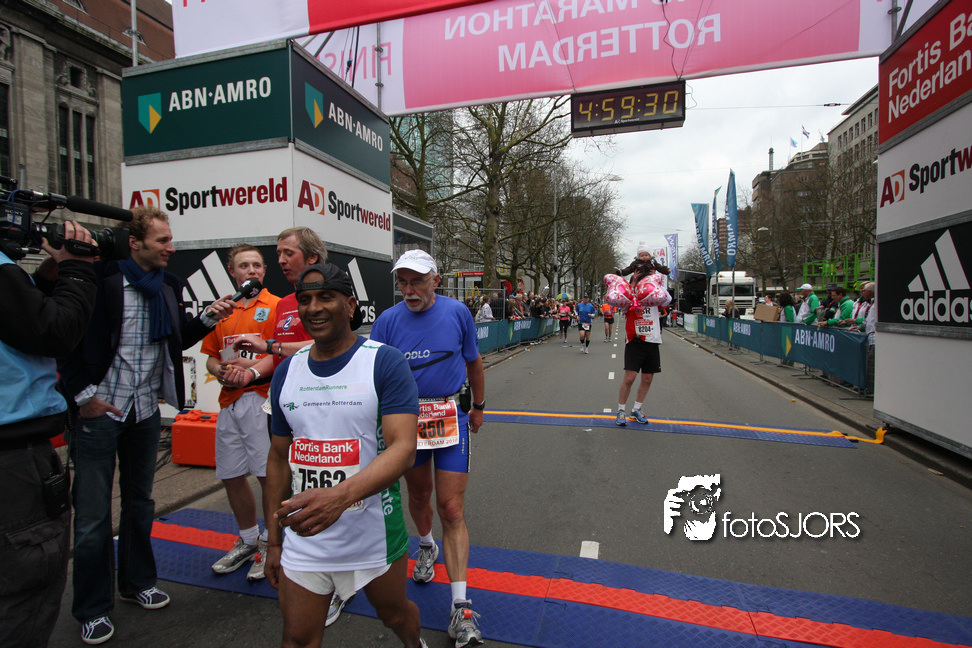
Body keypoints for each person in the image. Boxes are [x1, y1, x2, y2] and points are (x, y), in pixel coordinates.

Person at [58, 207, 237, 645]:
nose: (170, 248)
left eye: (170, 240)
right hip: (100, 413)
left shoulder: (168, 285)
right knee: (93, 517)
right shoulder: (100, 280)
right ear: (134, 243)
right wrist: (83, 398)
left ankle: (137, 583)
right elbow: (67, 337)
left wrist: (207, 318)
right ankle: (92, 608)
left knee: (140, 505)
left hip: (144, 413)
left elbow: (176, 339)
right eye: (162, 241)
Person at [264, 263, 427, 648]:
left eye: (326, 297)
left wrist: (338, 497)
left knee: (395, 615)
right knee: (297, 638)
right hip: (306, 535)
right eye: (305, 300)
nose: (313, 308)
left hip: (370, 532)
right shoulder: (287, 372)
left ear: (351, 305)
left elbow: (404, 449)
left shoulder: (384, 361)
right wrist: (273, 541)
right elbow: (277, 458)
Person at [370, 250, 486, 648]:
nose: (409, 290)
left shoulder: (457, 313)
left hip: (450, 415)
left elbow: (474, 362)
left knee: (451, 508)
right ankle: (425, 545)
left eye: (417, 281)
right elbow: (373, 375)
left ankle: (460, 607)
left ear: (435, 280)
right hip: (407, 420)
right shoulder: (387, 321)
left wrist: (479, 406)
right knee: (419, 495)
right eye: (402, 282)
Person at [0, 221, 98, 648]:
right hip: (13, 460)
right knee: (25, 595)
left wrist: (43, 279)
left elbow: (20, 317)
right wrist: (77, 269)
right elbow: (54, 331)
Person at [200, 244, 281, 582]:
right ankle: (248, 540)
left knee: (267, 476)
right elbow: (210, 356)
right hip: (228, 401)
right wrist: (219, 370)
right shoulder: (222, 310)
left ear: (264, 271)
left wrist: (250, 371)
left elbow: (280, 353)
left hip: (260, 399)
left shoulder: (276, 306)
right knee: (231, 474)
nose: (251, 271)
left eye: (257, 265)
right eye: (244, 266)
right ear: (232, 272)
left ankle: (272, 543)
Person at [615, 255, 670, 427]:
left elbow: (668, 299)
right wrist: (632, 282)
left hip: (652, 340)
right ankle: (621, 410)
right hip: (635, 340)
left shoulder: (654, 296)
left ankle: (636, 409)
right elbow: (622, 301)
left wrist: (656, 280)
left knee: (647, 378)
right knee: (630, 377)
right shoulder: (631, 297)